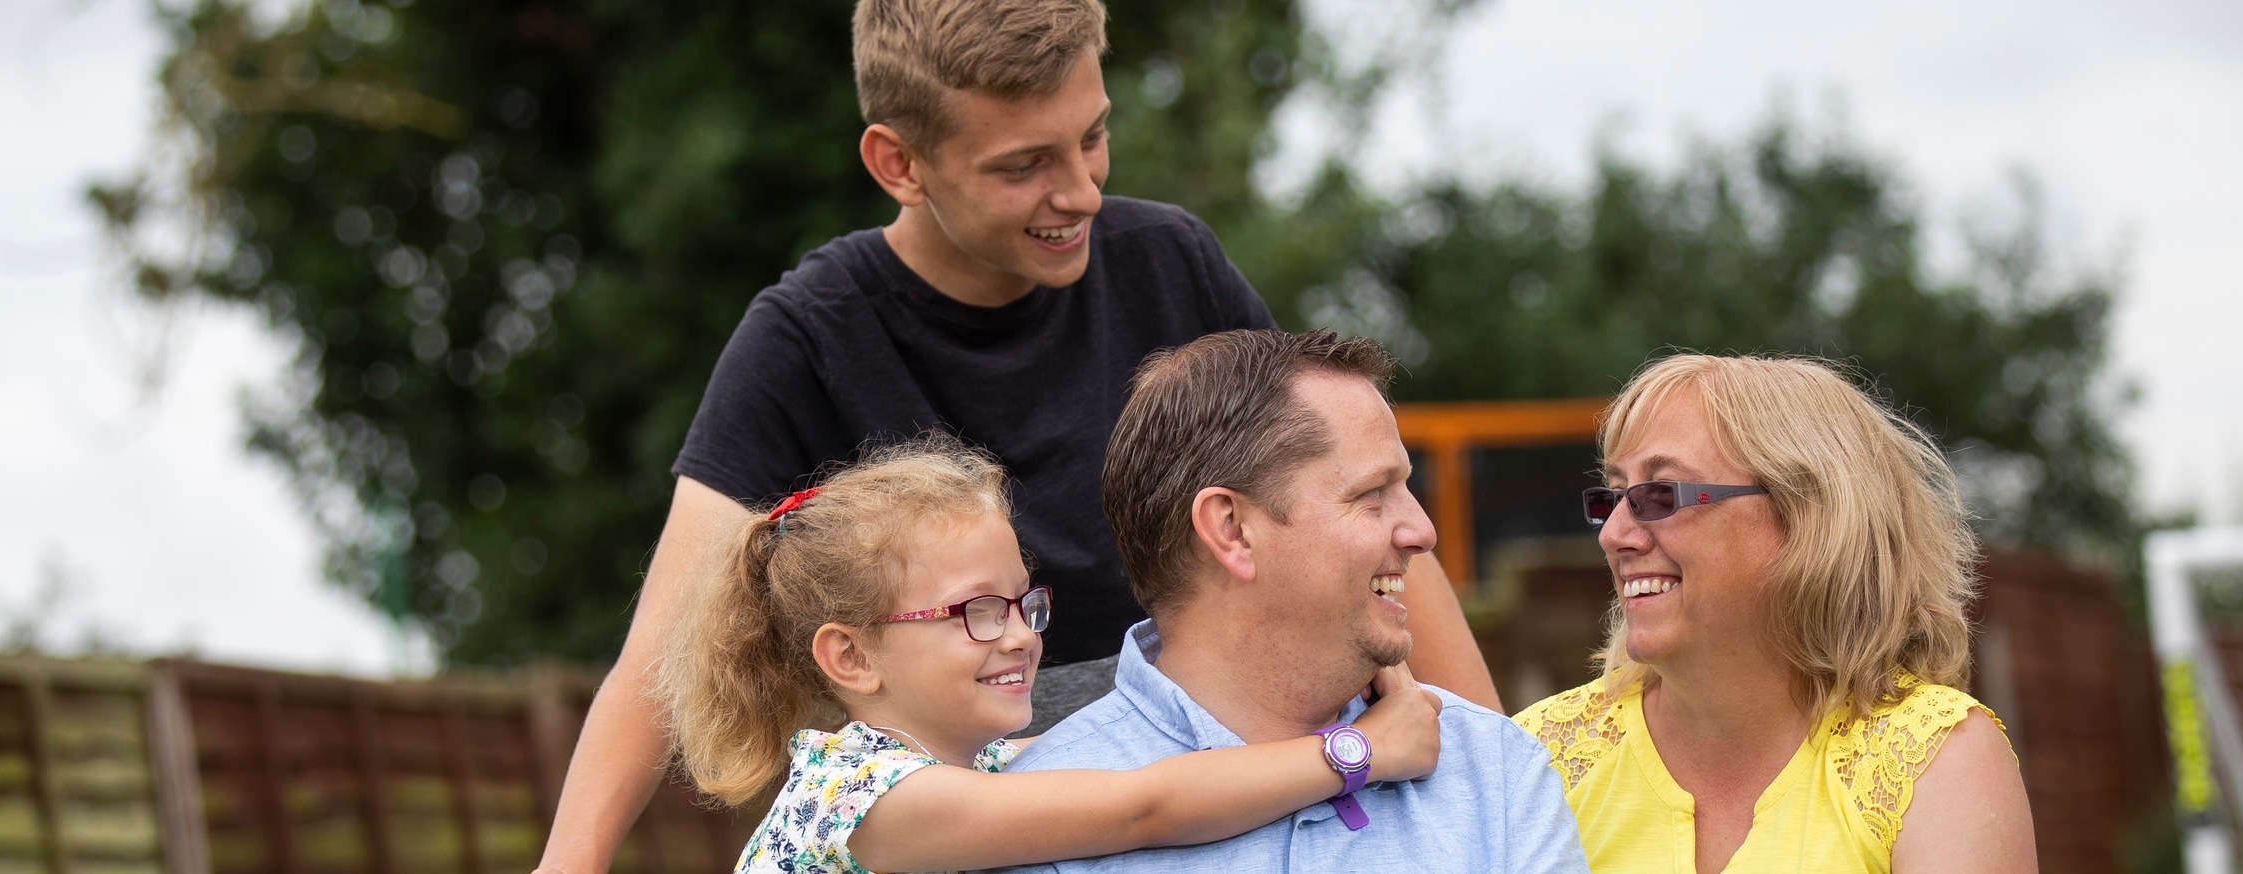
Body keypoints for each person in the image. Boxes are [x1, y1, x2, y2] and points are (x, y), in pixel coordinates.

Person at [533, 2, 1498, 871]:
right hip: (1006, 778)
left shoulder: (1170, 266)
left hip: (1197, 739)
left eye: (1094, 137)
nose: (1079, 190)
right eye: (1024, 165)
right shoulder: (809, 336)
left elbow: (1360, 513)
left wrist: (1496, 762)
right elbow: (660, 652)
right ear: (898, 163)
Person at [657, 438, 1444, 873]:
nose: (1022, 635)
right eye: (978, 612)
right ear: (852, 658)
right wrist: (1360, 750)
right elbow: (1145, 804)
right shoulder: (872, 801)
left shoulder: (978, 766)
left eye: (1023, 602)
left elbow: (1156, 756)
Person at [997, 330, 1588, 873]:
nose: (1422, 531)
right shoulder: (1026, 827)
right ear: (1231, 530)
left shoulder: (1495, 771)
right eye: (1372, 494)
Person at [1511, 354, 2037, 873]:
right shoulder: (1536, 757)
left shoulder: (1935, 760)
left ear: (1808, 519)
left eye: (1660, 494)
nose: (1612, 536)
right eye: (1613, 497)